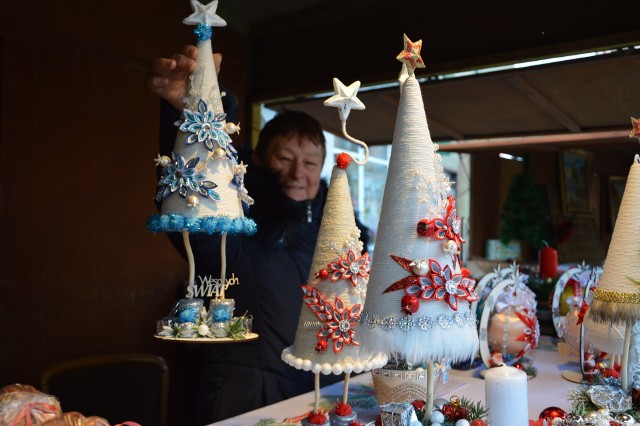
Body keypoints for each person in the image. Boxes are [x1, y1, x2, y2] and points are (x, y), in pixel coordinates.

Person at [149, 45, 370, 423]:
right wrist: (188, 110)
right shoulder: (239, 227)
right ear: (262, 161)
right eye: (284, 158)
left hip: (321, 393)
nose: (298, 172)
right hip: (247, 396)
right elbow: (196, 208)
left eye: (310, 162)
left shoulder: (339, 235)